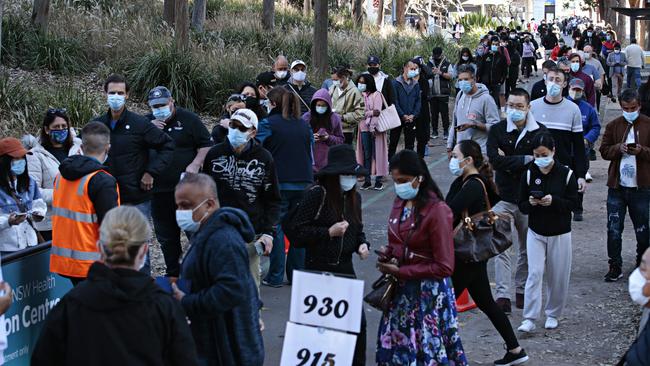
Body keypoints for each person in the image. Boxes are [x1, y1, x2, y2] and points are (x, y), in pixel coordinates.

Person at [32, 206, 198, 366]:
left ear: (100, 248)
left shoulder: (71, 305)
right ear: (144, 251)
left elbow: (43, 358)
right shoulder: (164, 307)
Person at [375, 150, 467, 365]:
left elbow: (444, 266)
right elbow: (399, 241)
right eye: (396, 180)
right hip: (401, 294)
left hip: (428, 298)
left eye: (404, 181)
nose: (399, 186)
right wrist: (388, 254)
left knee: (427, 351)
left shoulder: (437, 211)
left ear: (420, 178)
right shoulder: (400, 203)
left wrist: (401, 271)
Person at [446, 139, 529, 365]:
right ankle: (515, 349)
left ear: (468, 160)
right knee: (486, 303)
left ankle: (442, 355)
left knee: (441, 305)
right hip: (472, 254)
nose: (451, 160)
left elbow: (448, 212)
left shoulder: (473, 184)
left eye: (455, 155)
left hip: (466, 255)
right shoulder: (463, 181)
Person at [288, 145, 370, 366]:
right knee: (319, 333)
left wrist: (362, 245)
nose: (349, 179)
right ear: (333, 175)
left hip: (345, 268)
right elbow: (296, 232)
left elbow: (358, 231)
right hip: (317, 269)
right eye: (345, 174)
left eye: (352, 174)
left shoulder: (356, 198)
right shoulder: (317, 194)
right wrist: (327, 232)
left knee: (356, 326)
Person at [172, 173, 263, 365]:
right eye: (178, 206)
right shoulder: (206, 233)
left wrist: (187, 301)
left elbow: (231, 290)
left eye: (186, 205)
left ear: (210, 204)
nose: (180, 212)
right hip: (216, 342)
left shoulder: (223, 240)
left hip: (228, 350)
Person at [203, 108, 281, 289]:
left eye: (241, 128)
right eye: (232, 125)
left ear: (253, 131)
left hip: (250, 233)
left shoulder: (264, 158)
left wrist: (269, 232)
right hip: (218, 231)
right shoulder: (214, 154)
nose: (235, 130)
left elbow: (273, 199)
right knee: (215, 285)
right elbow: (204, 192)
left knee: (250, 288)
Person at [487, 88, 548, 313]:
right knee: (501, 247)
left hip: (528, 199)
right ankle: (502, 295)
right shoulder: (497, 130)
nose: (514, 110)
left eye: (519, 106)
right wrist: (524, 159)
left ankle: (521, 290)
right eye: (510, 106)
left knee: (526, 248)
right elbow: (494, 161)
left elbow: (540, 163)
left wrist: (509, 159)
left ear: (528, 107)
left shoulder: (539, 133)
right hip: (502, 198)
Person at [146, 86, 213, 278]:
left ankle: (201, 273)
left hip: (187, 191)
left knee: (195, 234)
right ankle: (173, 274)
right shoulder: (146, 123)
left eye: (163, 104)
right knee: (167, 237)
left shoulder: (189, 119)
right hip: (159, 192)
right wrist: (149, 131)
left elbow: (206, 144)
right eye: (155, 106)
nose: (159, 109)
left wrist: (196, 163)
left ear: (172, 102)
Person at [517, 133, 578, 332]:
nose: (540, 159)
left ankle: (553, 313)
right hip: (536, 231)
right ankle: (529, 317)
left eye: (544, 154)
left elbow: (574, 204)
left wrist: (555, 201)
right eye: (536, 155)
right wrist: (532, 203)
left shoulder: (566, 174)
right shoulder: (528, 173)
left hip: (560, 232)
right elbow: (522, 205)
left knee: (557, 275)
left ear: (553, 151)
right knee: (534, 273)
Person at [92, 74, 174, 218]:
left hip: (136, 199)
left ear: (127, 95)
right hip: (105, 197)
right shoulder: (97, 125)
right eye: (112, 93)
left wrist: (151, 172)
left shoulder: (140, 124)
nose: (116, 96)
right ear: (105, 94)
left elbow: (167, 145)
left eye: (120, 93)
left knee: (136, 240)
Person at [50, 122, 120, 285]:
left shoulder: (61, 176)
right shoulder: (103, 180)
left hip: (66, 261)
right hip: (94, 263)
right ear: (108, 148)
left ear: (81, 146)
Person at [257, 87, 314, 287]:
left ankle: (275, 275)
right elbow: (311, 152)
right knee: (297, 228)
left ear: (273, 103)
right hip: (304, 181)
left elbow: (257, 149)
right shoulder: (303, 125)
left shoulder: (267, 124)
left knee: (277, 228)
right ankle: (297, 275)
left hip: (279, 182)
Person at [600, 89, 650, 282]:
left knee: (643, 230)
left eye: (633, 108)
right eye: (626, 108)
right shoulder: (614, 126)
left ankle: (642, 264)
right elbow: (604, 150)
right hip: (617, 187)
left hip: (641, 188)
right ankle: (615, 265)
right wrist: (617, 149)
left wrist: (641, 150)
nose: (630, 111)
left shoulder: (647, 125)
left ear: (639, 106)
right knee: (613, 228)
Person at [530, 67, 588, 221]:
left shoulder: (573, 109)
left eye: (558, 80)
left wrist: (581, 175)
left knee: (560, 214)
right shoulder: (533, 107)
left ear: (564, 84)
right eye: (551, 79)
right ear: (545, 80)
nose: (553, 83)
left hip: (562, 169)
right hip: (537, 169)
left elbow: (578, 146)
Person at [22, 109, 82, 241]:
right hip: (51, 223)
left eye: (64, 127)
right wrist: (64, 194)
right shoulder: (35, 155)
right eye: (56, 127)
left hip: (78, 217)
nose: (61, 130)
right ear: (47, 129)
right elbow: (33, 191)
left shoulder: (77, 148)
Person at [0, 138, 46, 253]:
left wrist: (38, 213)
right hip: (7, 250)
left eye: (22, 158)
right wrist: (8, 222)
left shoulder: (29, 182)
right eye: (16, 158)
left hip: (31, 243)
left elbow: (39, 203)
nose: (21, 161)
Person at [447, 64, 500, 155]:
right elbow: (454, 123)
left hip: (480, 152)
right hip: (461, 152)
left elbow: (496, 127)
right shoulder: (460, 95)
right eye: (460, 80)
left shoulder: (486, 99)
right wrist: (449, 146)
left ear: (474, 79)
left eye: (466, 79)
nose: (463, 82)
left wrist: (474, 125)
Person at [567, 78, 600, 221]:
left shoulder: (588, 109)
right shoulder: (562, 105)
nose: (576, 92)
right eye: (574, 89)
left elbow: (595, 126)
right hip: (564, 150)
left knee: (579, 179)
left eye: (578, 90)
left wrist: (587, 139)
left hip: (581, 152)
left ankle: (578, 208)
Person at [355, 74, 388, 190]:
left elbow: (377, 112)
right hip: (363, 128)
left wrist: (372, 126)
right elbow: (359, 111)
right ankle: (367, 180)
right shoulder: (359, 95)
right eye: (359, 82)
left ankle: (378, 180)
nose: (361, 84)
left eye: (363, 82)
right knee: (367, 154)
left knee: (377, 154)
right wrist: (370, 112)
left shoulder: (376, 94)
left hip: (375, 129)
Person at [302, 89, 344, 173]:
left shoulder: (334, 118)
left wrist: (328, 138)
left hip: (328, 163)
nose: (321, 107)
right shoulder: (306, 117)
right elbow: (298, 138)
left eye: (324, 105)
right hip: (309, 162)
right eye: (318, 105)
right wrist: (310, 138)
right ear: (314, 105)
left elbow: (340, 140)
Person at [389, 60, 422, 158]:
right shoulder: (395, 83)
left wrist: (413, 115)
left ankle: (408, 165)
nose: (413, 71)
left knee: (410, 144)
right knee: (393, 142)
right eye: (411, 68)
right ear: (405, 68)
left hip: (411, 118)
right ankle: (390, 163)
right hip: (398, 117)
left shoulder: (415, 84)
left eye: (414, 69)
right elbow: (394, 101)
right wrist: (402, 115)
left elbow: (418, 101)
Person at [329, 66, 365, 144]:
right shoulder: (332, 88)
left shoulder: (354, 92)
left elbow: (360, 113)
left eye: (336, 80)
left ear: (344, 77)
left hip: (346, 131)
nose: (334, 82)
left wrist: (343, 117)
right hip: (332, 129)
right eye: (333, 80)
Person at [477, 36, 509, 108]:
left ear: (498, 45)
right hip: (486, 82)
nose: (494, 46)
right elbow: (481, 68)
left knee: (494, 100)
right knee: (486, 99)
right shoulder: (486, 56)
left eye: (496, 44)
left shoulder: (502, 57)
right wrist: (480, 79)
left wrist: (501, 80)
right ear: (490, 45)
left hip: (496, 82)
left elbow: (505, 70)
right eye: (493, 44)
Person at [428, 47, 452, 139]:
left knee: (444, 114)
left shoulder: (447, 63)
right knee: (433, 114)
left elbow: (450, 76)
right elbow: (426, 74)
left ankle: (446, 131)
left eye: (438, 55)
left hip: (443, 93)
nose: (437, 57)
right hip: (432, 93)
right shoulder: (430, 63)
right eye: (435, 55)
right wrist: (431, 72)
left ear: (442, 54)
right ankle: (434, 132)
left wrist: (440, 72)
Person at [583, 45, 606, 110]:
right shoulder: (581, 61)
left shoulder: (596, 62)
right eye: (585, 52)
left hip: (593, 88)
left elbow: (601, 73)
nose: (586, 53)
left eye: (588, 52)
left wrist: (601, 84)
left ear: (591, 52)